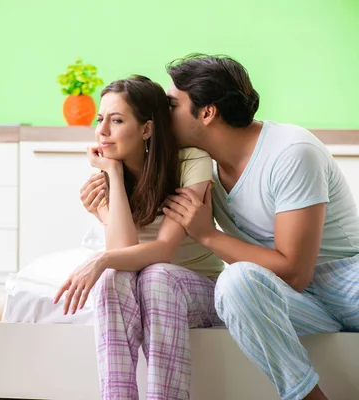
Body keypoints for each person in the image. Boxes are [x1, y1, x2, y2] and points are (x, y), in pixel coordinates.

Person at [157, 54, 359, 400]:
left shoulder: (292, 151)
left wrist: (208, 235)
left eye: (171, 105)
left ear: (207, 113)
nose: (162, 116)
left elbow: (295, 271)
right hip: (293, 300)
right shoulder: (200, 167)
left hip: (345, 281)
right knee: (233, 283)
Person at [53, 75, 225, 400]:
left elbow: (163, 250)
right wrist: (114, 177)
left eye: (116, 120)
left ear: (146, 129)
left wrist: (99, 259)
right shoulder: (107, 174)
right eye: (100, 119)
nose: (102, 131)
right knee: (111, 281)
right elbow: (125, 254)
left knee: (156, 276)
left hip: (200, 289)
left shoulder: (191, 161)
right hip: (147, 285)